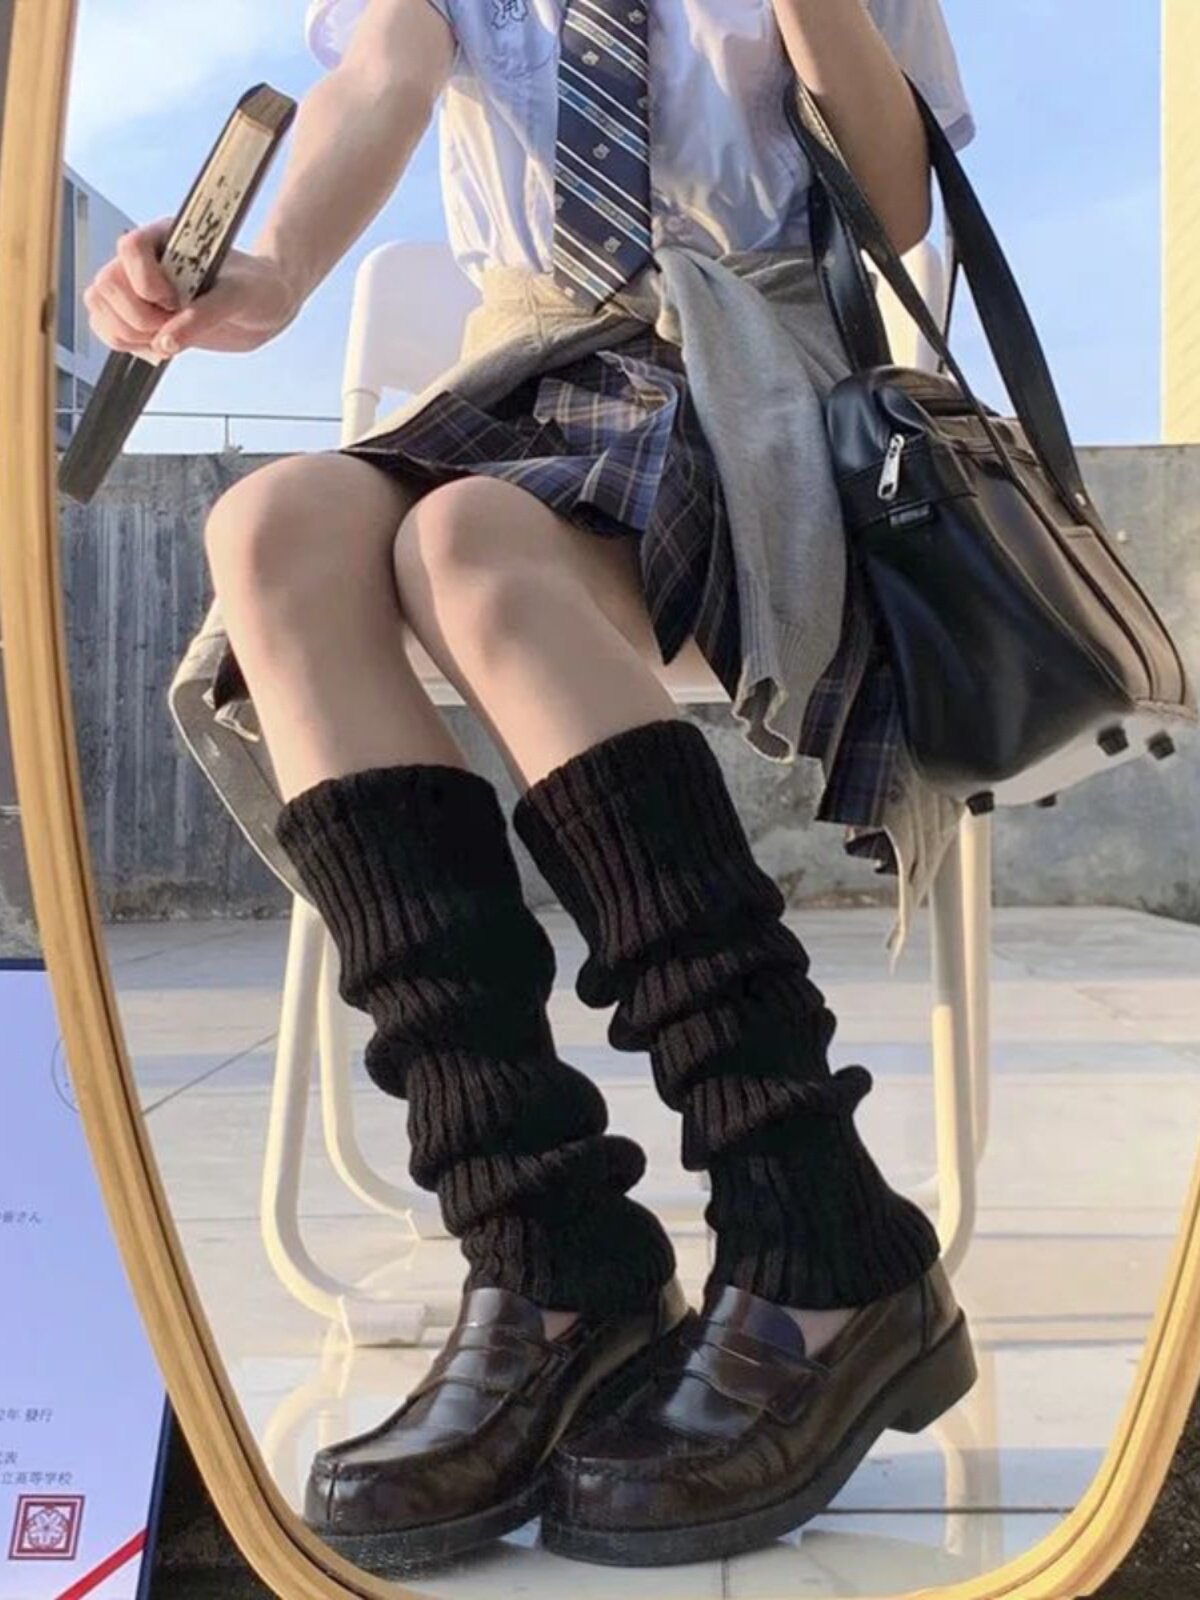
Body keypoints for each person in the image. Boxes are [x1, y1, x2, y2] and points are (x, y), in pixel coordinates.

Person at [86, 0, 979, 1571]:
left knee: (464, 545)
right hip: (519, 362)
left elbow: (896, 207)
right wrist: (267, 272)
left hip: (754, 365)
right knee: (270, 534)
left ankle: (815, 1219)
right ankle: (547, 1247)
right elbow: (387, 74)